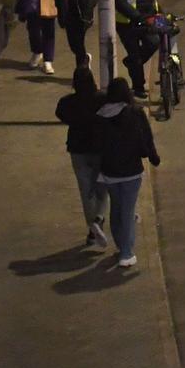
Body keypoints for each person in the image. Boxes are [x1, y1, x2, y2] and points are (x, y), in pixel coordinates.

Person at [94, 78, 161, 269]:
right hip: (131, 170)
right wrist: (153, 157)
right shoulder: (135, 113)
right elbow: (146, 137)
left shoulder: (100, 116)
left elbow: (97, 144)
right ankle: (126, 251)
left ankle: (120, 244)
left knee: (117, 208)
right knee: (128, 210)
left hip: (109, 171)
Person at [55, 65, 109, 249]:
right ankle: (99, 219)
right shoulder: (102, 100)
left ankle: (92, 227)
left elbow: (60, 114)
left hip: (78, 149)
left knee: (86, 190)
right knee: (102, 187)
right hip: (100, 149)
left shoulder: (67, 103)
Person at [116, 0, 160, 98]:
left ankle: (131, 63)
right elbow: (120, 2)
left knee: (154, 42)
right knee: (135, 56)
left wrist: (160, 16)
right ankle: (138, 86)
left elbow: (152, 1)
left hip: (147, 20)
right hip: (128, 24)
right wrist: (136, 16)